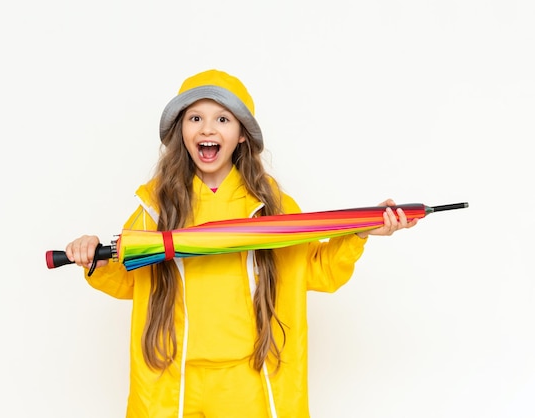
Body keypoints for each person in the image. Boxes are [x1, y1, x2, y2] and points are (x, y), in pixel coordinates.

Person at [65, 69, 417, 418]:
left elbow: (316, 270)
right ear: (181, 132)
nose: (207, 128)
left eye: (222, 118)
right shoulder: (157, 207)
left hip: (247, 378)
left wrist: (359, 232)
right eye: (195, 118)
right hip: (175, 377)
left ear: (242, 136)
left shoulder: (271, 208)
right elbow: (130, 278)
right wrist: (93, 258)